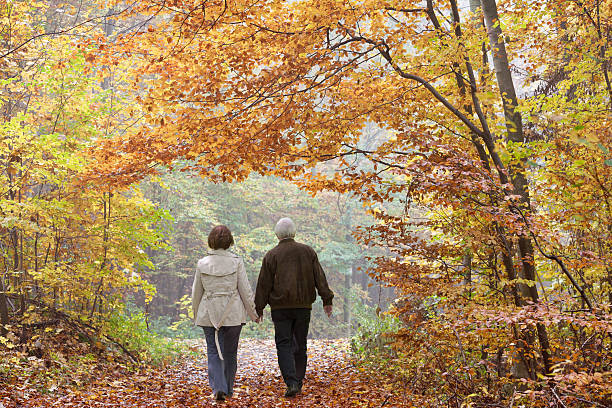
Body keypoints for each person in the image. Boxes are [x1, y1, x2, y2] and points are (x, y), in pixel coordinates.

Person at [254, 217, 334, 398]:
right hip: (303, 307)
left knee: (283, 344)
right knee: (300, 344)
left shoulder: (271, 255)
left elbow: (263, 285)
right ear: (294, 233)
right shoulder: (308, 252)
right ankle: (297, 380)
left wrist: (258, 308)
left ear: (277, 234)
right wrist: (326, 299)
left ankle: (291, 382)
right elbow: (319, 278)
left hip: (280, 308)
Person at [192, 225, 259, 401]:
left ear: (211, 241)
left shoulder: (202, 263)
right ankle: (228, 389)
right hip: (233, 314)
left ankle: (218, 388)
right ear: (229, 241)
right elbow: (245, 290)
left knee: (213, 351)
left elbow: (196, 293)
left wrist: (195, 315)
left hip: (209, 315)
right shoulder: (236, 262)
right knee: (230, 352)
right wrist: (253, 313)